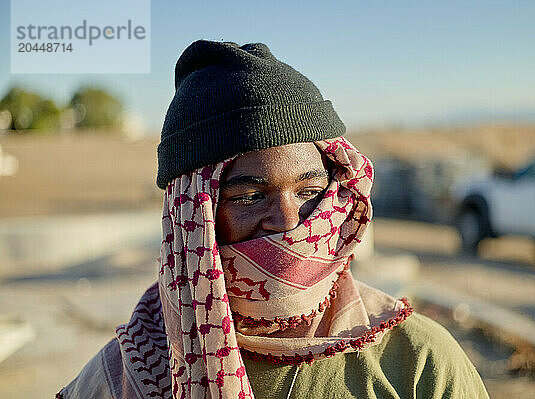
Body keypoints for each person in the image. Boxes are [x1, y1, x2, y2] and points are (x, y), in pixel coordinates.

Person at [57, 40, 489, 399]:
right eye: (249, 196)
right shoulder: (123, 378)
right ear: (191, 220)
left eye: (309, 192)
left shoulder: (418, 364)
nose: (286, 221)